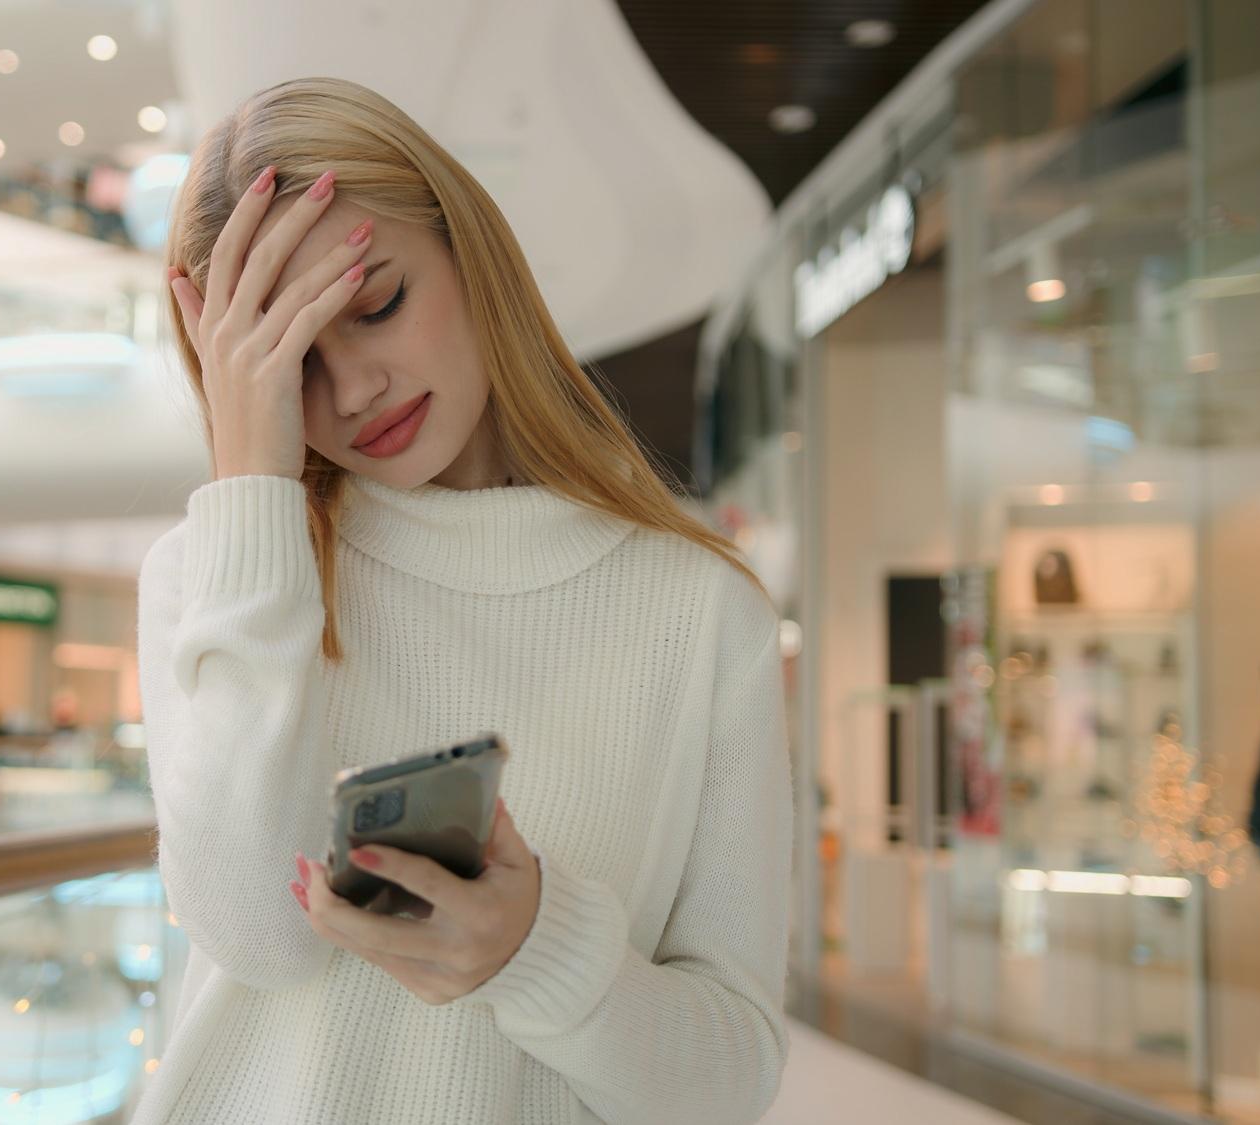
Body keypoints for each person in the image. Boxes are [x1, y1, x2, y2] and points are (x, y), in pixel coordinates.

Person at [134, 77, 790, 1124]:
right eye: (291, 364)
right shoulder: (213, 572)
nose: (350, 393)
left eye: (375, 304)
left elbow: (729, 1079)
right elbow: (255, 933)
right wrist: (251, 495)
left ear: (467, 252)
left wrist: (539, 954)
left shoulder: (699, 611)